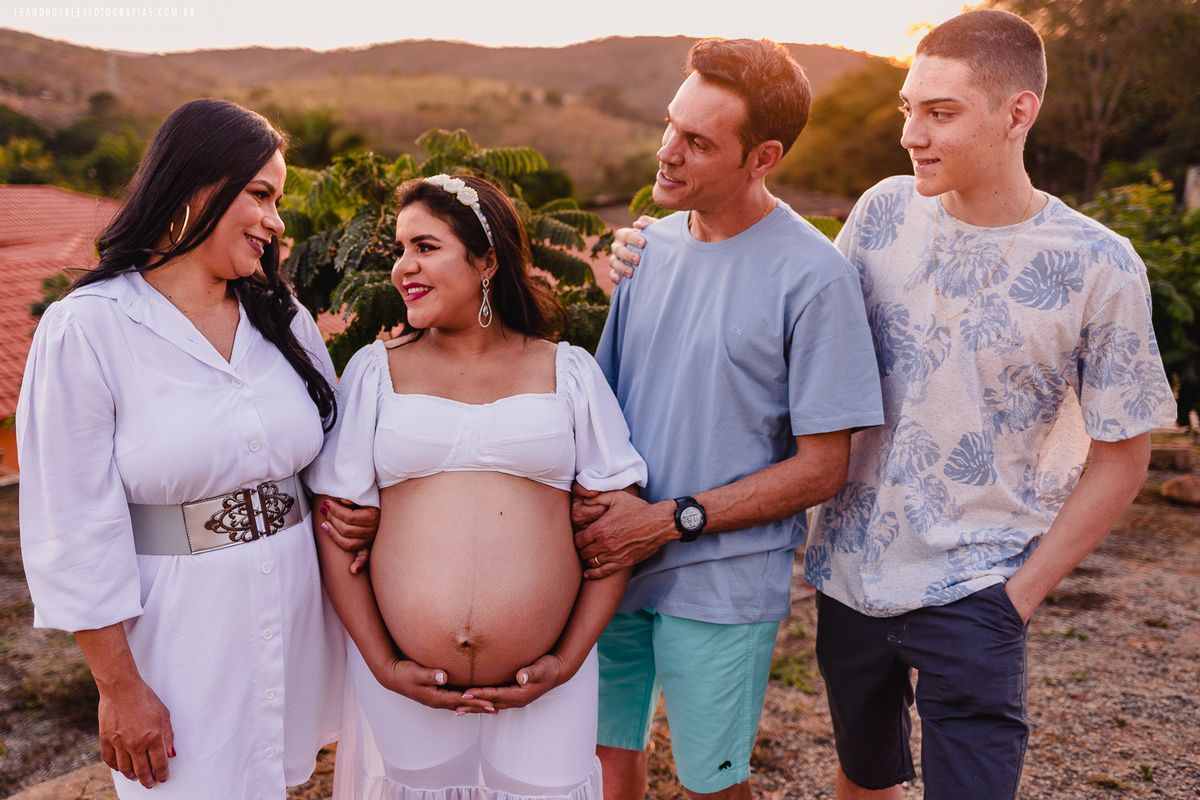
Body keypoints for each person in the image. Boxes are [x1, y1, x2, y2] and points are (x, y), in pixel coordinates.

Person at [801, 10, 1172, 799]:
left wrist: (1021, 596)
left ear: (1017, 113)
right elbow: (798, 333)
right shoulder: (881, 213)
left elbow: (1124, 454)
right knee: (864, 779)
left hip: (978, 590)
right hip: (849, 575)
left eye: (940, 113)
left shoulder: (1098, 265)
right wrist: (662, 252)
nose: (912, 134)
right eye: (909, 108)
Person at [17, 99, 379, 797]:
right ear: (196, 188)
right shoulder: (87, 330)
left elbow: (327, 452)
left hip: (301, 610)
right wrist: (120, 688)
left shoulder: (282, 315)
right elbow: (71, 528)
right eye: (262, 195)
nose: (277, 222)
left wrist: (342, 503)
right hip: (183, 634)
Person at [573, 38, 883, 800]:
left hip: (718, 577)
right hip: (615, 559)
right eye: (672, 126)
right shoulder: (647, 249)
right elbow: (604, 407)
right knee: (604, 764)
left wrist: (666, 521)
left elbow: (823, 467)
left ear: (762, 156)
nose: (667, 153)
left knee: (712, 783)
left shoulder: (815, 279)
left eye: (698, 142)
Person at [303, 173, 647, 800]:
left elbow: (615, 534)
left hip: (546, 685)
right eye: (400, 249)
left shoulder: (567, 370)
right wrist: (382, 664)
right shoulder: (375, 373)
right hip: (407, 683)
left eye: (426, 247)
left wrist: (566, 663)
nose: (404, 267)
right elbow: (334, 529)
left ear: (487, 261)